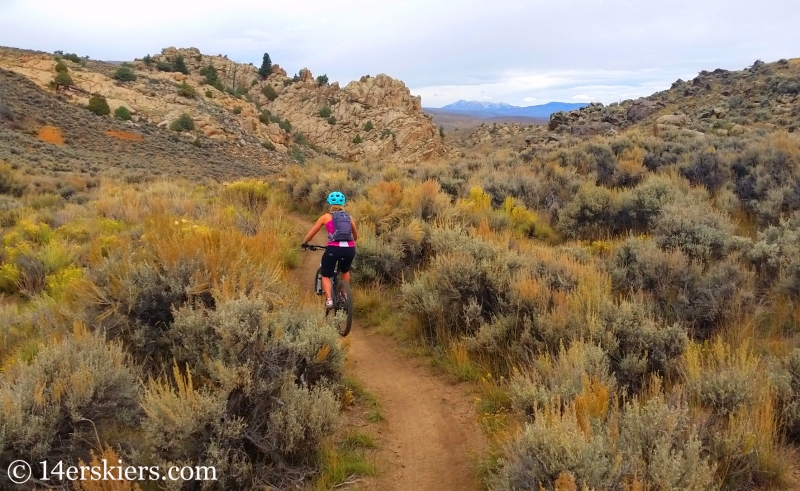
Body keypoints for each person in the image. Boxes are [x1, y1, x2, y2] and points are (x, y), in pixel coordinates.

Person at [302, 191, 358, 309]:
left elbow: (311, 234)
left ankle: (329, 300)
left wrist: (305, 242)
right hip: (349, 249)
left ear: (329, 203)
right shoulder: (349, 217)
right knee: (345, 270)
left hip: (333, 249)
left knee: (326, 274)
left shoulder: (325, 217)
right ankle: (344, 295)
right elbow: (355, 236)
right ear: (343, 203)